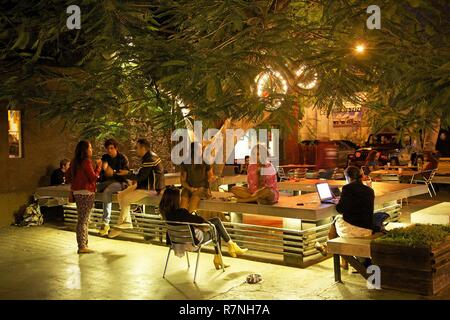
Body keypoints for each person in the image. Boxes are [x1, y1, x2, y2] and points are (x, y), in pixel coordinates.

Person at [315, 166, 389, 267]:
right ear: (360, 176)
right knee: (339, 220)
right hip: (367, 228)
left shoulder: (347, 188)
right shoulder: (369, 190)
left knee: (336, 220)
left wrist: (340, 202)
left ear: (347, 177)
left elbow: (340, 209)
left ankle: (330, 249)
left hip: (355, 229)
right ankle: (331, 250)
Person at [159, 187, 248, 269]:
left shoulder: (166, 213)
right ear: (175, 200)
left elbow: (189, 220)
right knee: (216, 225)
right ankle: (228, 248)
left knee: (215, 225)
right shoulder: (181, 212)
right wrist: (193, 214)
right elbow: (202, 221)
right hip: (192, 242)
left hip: (177, 243)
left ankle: (226, 250)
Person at [108, 139, 165, 238]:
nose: (135, 150)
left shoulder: (150, 159)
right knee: (120, 195)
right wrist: (127, 174)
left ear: (143, 148)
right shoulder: (148, 157)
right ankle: (126, 222)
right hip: (145, 185)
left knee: (126, 199)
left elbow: (140, 176)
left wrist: (127, 174)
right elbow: (141, 174)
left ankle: (125, 223)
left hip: (152, 189)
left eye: (137, 148)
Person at [65, 140, 102, 254]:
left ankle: (84, 244)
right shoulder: (86, 161)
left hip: (78, 192)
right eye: (90, 148)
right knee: (83, 220)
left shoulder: (74, 161)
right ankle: (82, 246)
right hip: (86, 193)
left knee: (83, 219)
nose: (91, 150)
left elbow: (68, 176)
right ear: (85, 150)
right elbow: (93, 177)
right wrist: (99, 167)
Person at [97, 139, 130, 236]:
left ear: (116, 148)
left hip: (120, 183)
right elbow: (103, 172)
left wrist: (113, 172)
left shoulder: (122, 158)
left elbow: (125, 174)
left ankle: (105, 223)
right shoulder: (105, 157)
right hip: (107, 182)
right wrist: (101, 168)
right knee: (93, 188)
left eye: (111, 148)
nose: (109, 150)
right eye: (108, 149)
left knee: (107, 191)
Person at [180, 142, 217, 213]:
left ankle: (190, 219)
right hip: (188, 188)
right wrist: (190, 188)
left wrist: (212, 178)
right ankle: (183, 219)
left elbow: (210, 175)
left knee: (195, 197)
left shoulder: (205, 161)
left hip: (202, 188)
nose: (202, 151)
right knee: (183, 201)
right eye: (200, 149)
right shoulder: (185, 162)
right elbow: (183, 181)